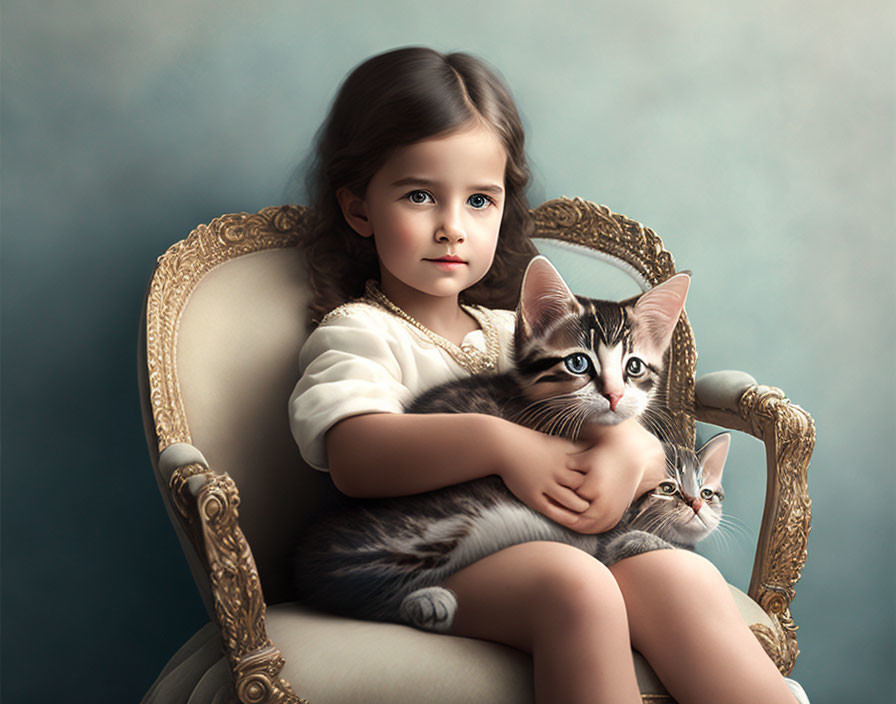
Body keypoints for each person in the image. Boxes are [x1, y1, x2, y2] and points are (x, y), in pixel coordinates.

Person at [289, 46, 798, 704]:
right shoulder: (360, 331)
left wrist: (625, 450)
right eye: (420, 195)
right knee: (575, 588)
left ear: (504, 210)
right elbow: (356, 456)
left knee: (684, 579)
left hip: (553, 539)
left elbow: (629, 431)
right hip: (434, 561)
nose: (451, 227)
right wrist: (504, 444)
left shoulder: (519, 332)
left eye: (478, 200)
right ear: (360, 210)